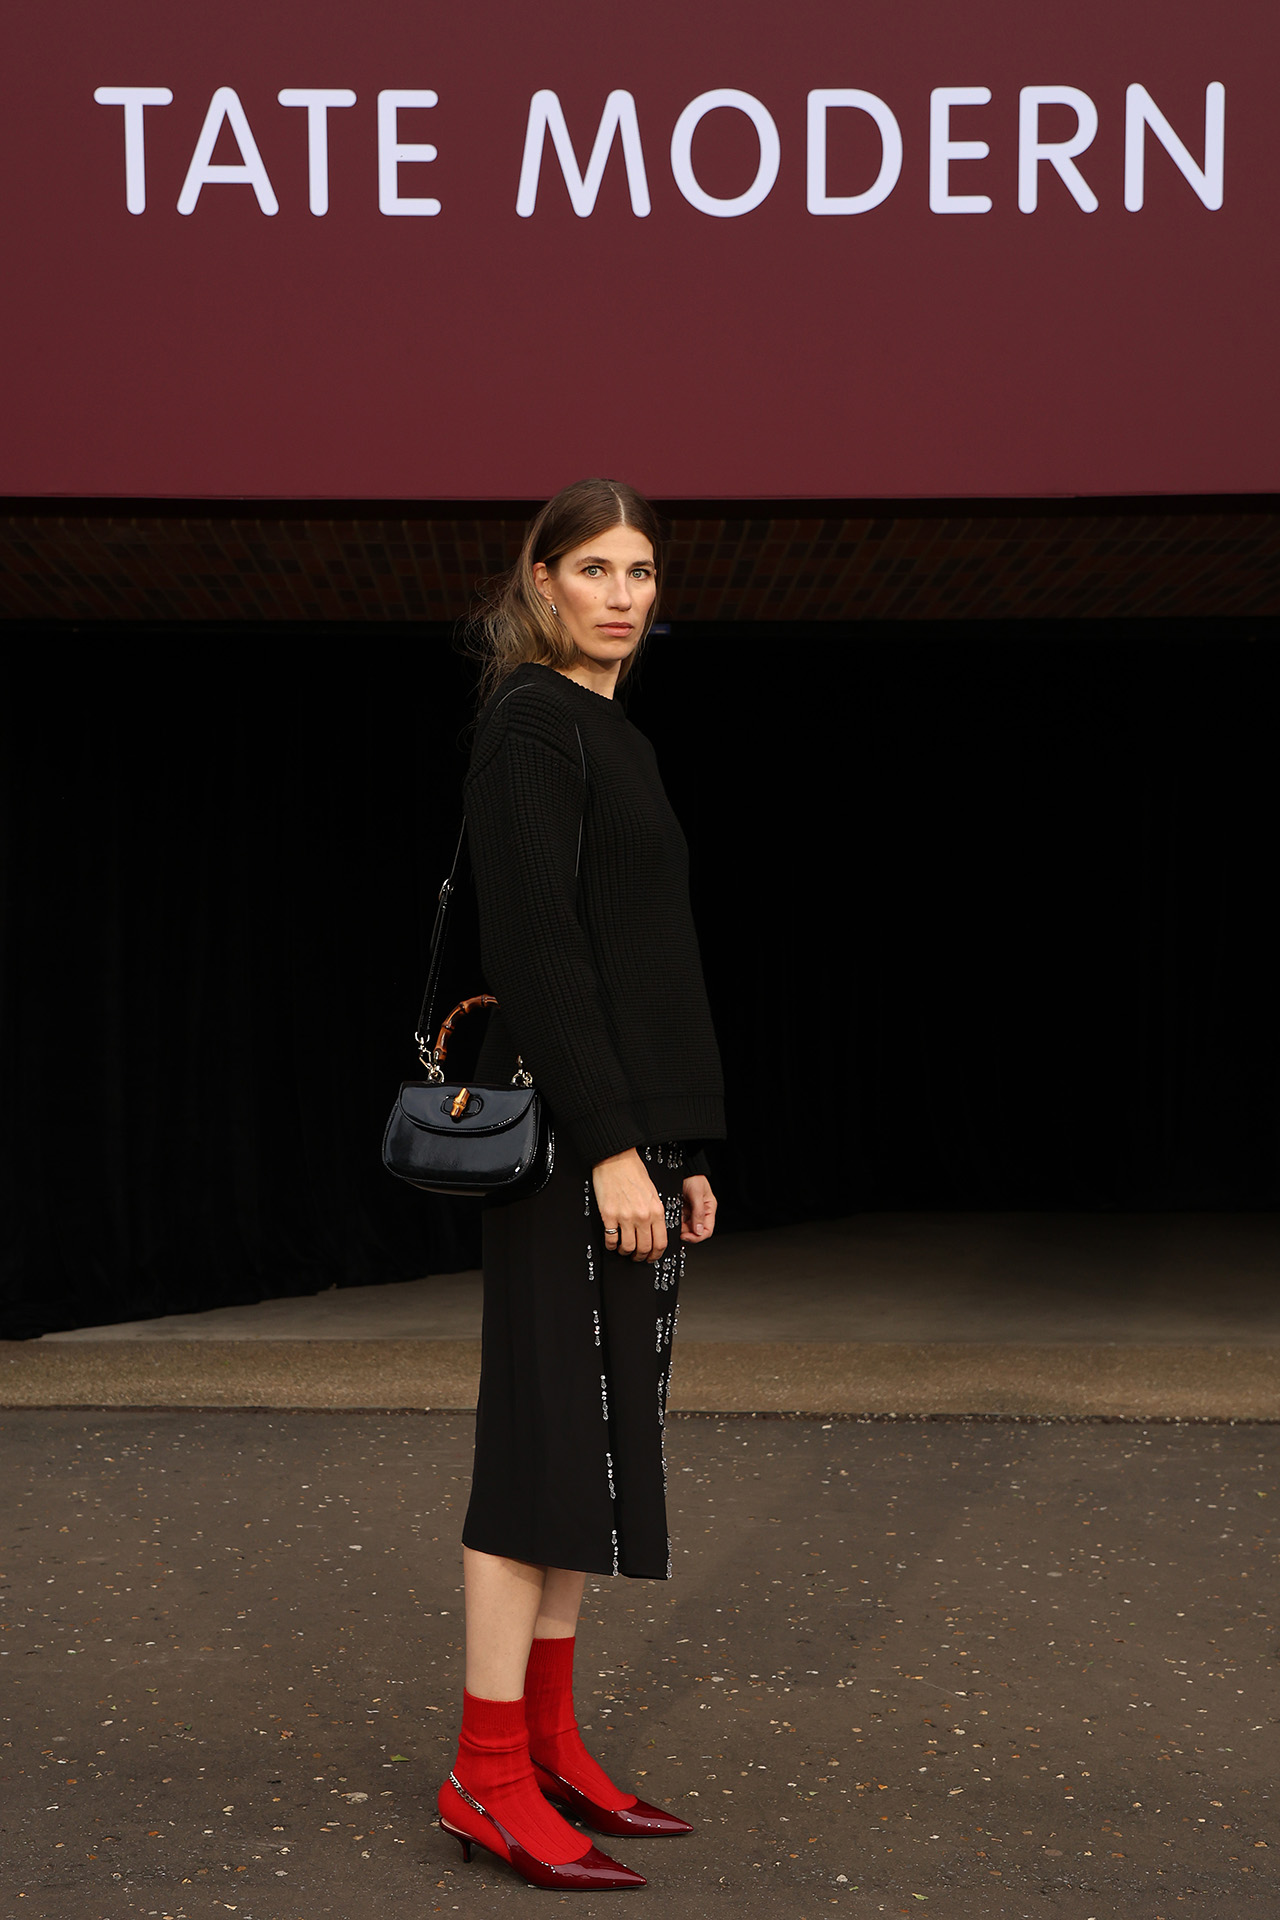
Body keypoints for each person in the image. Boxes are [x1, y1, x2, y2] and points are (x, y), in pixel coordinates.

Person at [435, 478, 726, 1890]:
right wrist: (611, 1144)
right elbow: (539, 951)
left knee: (595, 1455)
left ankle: (547, 1745)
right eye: (593, 568)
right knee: (540, 1450)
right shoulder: (530, 726)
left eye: (641, 570)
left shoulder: (616, 735)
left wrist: (679, 1148)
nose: (621, 594)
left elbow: (646, 959)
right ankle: (484, 1775)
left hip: (623, 1136)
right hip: (566, 1143)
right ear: (540, 582)